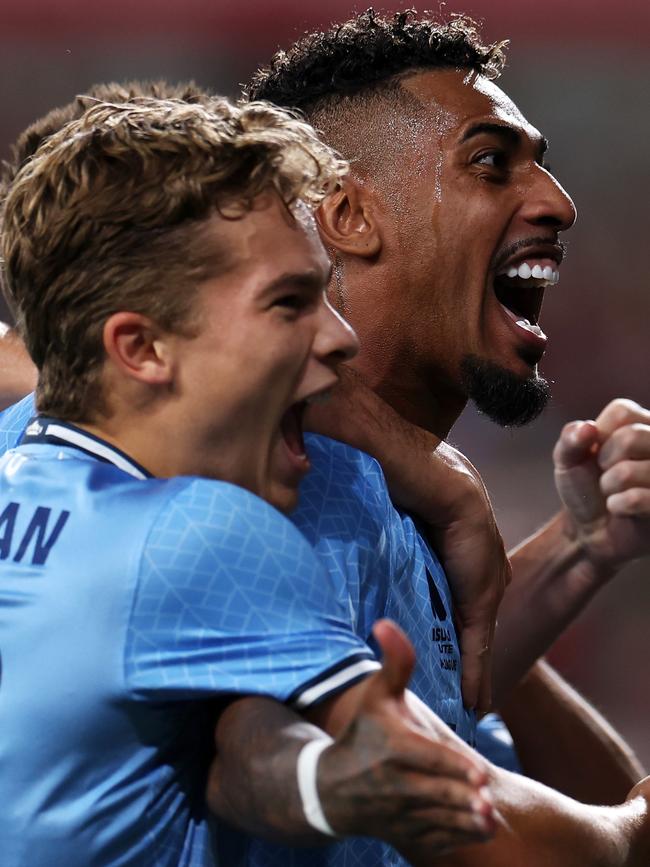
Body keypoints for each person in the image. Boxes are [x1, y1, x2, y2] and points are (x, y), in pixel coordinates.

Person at [1, 72, 650, 866]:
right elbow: (255, 742)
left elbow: (390, 696)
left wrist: (578, 549)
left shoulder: (48, 457)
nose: (557, 200)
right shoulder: (230, 505)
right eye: (488, 162)